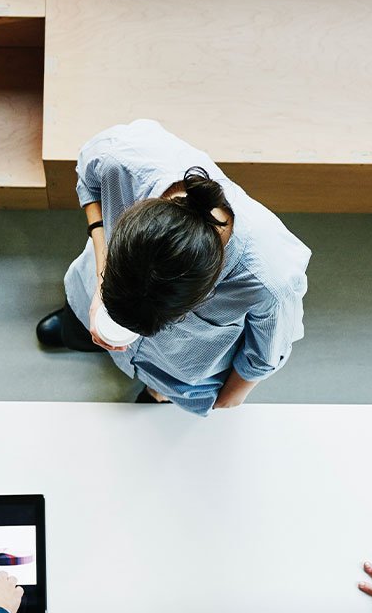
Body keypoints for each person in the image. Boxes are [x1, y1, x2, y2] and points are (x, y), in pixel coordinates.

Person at [34, 119, 310, 414]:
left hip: (176, 371)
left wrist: (227, 399)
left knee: (158, 394)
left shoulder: (270, 281)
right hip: (90, 292)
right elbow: (88, 177)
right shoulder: (122, 158)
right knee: (77, 328)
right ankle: (79, 326)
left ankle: (157, 392)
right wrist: (101, 279)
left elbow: (263, 357)